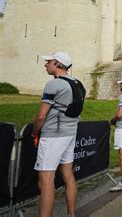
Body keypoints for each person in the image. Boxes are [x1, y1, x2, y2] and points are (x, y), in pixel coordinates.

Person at [32, 52, 81, 217]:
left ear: (58, 64)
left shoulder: (54, 84)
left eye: (49, 62)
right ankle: (71, 214)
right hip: (70, 133)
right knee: (68, 174)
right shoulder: (78, 83)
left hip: (53, 134)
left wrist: (34, 132)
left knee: (46, 180)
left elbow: (41, 116)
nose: (45, 64)